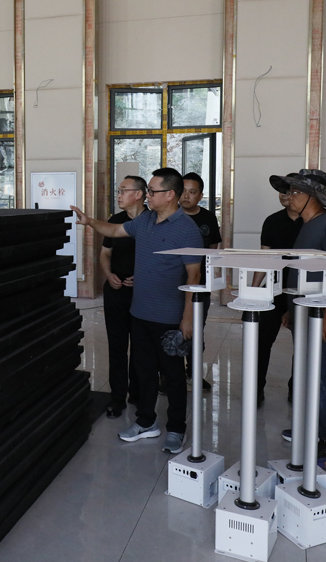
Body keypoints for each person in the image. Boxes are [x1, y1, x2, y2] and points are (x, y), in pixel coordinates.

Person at [71, 168, 202, 455]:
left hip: (169, 316)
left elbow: (194, 276)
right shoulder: (145, 220)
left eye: (153, 192)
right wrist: (89, 221)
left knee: (172, 375)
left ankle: (176, 428)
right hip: (139, 312)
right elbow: (115, 231)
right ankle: (146, 422)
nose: (148, 196)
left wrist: (188, 317)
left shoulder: (187, 229)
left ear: (170, 194)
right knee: (144, 371)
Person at [270, 169, 326, 468]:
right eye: (289, 192)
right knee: (305, 371)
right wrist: (290, 309)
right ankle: (310, 428)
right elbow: (302, 272)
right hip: (301, 308)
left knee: (318, 374)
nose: (289, 197)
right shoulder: (308, 225)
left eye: (295, 192)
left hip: (319, 312)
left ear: (312, 196)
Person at [250, 173, 303, 408]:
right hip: (274, 289)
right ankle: (256, 389)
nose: (285, 195)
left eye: (290, 191)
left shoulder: (312, 222)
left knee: (302, 344)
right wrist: (254, 291)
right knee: (261, 341)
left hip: (302, 291)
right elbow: (265, 258)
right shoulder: (272, 221)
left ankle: (296, 389)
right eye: (282, 191)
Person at [100, 175, 148, 419]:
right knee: (117, 345)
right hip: (116, 291)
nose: (118, 195)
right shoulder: (115, 221)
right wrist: (109, 275)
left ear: (138, 194)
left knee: (140, 346)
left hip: (143, 293)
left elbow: (161, 259)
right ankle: (117, 397)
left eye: (123, 190)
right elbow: (105, 254)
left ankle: (137, 394)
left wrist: (142, 278)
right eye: (118, 190)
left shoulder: (152, 220)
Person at [180, 172, 221, 393]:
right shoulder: (171, 216)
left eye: (192, 192)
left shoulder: (208, 218)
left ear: (200, 195)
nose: (186, 196)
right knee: (170, 330)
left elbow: (213, 249)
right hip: (172, 284)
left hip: (199, 285)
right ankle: (168, 375)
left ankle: (193, 372)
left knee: (195, 330)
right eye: (183, 191)